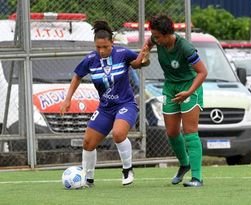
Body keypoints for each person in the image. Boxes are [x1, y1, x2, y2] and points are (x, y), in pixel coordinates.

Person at [60, 20, 149, 186]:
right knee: (88, 142)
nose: (101, 51)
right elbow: (77, 76)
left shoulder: (122, 53)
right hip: (105, 108)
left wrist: (144, 57)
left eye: (105, 47)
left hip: (125, 105)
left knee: (118, 134)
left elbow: (137, 64)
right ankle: (88, 178)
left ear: (112, 43)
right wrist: (67, 99)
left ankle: (127, 169)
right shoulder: (90, 59)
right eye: (98, 47)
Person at [144, 15, 208, 187]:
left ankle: (197, 178)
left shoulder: (185, 47)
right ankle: (184, 164)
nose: (154, 39)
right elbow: (148, 44)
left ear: (167, 34)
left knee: (190, 132)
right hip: (170, 88)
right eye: (154, 36)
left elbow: (202, 72)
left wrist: (188, 92)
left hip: (189, 87)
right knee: (171, 132)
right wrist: (145, 52)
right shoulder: (156, 40)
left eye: (157, 36)